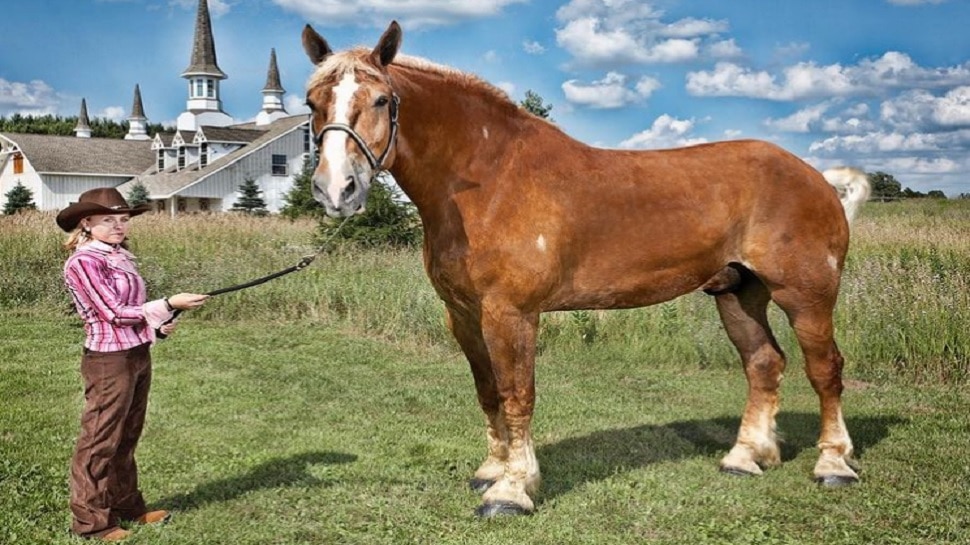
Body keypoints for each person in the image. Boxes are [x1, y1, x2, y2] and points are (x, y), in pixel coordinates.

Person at [56, 187, 208, 541]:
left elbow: (136, 313)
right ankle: (92, 523)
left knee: (127, 436)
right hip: (109, 359)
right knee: (99, 439)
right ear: (87, 223)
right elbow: (112, 313)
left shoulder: (121, 256)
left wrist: (161, 321)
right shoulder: (84, 261)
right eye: (108, 220)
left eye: (123, 219)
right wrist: (169, 301)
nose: (118, 226)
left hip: (137, 352)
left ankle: (127, 507)